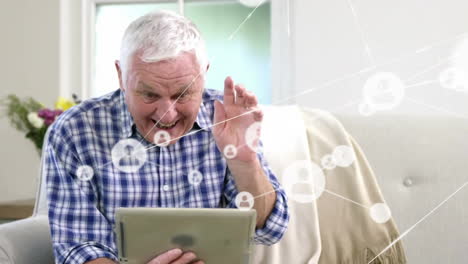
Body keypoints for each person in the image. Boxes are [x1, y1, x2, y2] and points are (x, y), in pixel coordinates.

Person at [45, 10, 289, 264]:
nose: (166, 114)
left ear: (204, 74)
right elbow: (79, 247)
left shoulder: (229, 119)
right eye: (149, 94)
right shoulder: (74, 131)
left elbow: (270, 229)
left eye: (182, 94)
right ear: (121, 75)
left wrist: (244, 162)